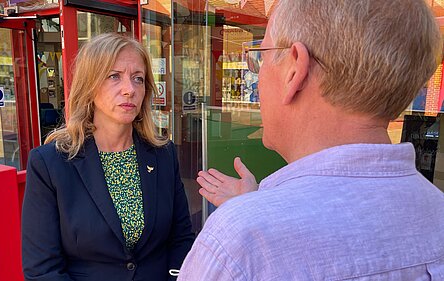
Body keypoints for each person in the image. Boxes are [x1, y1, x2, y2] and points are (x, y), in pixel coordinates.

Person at [179, 0, 444, 280]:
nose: (258, 75)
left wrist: (253, 214)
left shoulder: (239, 245)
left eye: (261, 56)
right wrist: (257, 204)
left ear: (295, 70)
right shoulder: (436, 213)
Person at [22, 33, 194, 281]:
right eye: (114, 76)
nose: (129, 90)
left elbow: (181, 238)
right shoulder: (50, 164)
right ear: (89, 85)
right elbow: (42, 269)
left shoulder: (163, 154)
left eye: (138, 79)